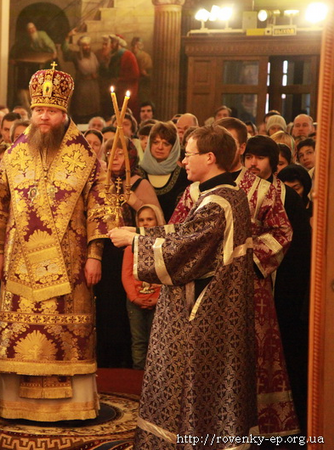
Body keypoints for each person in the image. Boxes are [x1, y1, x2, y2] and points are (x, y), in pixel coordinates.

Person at [109, 124, 257, 448]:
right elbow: (184, 232)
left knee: (194, 387)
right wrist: (144, 236)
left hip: (204, 317)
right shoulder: (228, 195)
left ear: (210, 157)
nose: (183, 161)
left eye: (188, 154)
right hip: (220, 315)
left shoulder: (218, 202)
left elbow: (184, 252)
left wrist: (134, 239)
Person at [0, 64, 110, 421]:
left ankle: (71, 408)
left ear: (65, 112)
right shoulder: (14, 153)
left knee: (65, 335)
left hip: (71, 262)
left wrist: (95, 255)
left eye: (51, 111)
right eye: (38, 110)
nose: (43, 117)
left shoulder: (86, 156)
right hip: (19, 262)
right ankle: (16, 404)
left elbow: (101, 206)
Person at [171, 117, 298, 437]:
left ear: (239, 148)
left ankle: (254, 427)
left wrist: (248, 262)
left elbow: (282, 232)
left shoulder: (263, 190)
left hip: (250, 290)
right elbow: (177, 232)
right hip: (205, 291)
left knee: (251, 358)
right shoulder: (193, 191)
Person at [244, 136, 312, 430]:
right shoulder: (238, 189)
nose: (253, 163)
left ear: (272, 162)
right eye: (249, 157)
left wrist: (256, 260)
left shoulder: (287, 196)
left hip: (277, 286)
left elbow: (295, 244)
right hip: (245, 288)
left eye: (259, 158)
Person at [94, 139, 160, 368]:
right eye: (110, 152)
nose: (115, 157)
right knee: (106, 304)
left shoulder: (139, 182)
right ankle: (106, 357)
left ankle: (128, 362)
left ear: (130, 156)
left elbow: (155, 220)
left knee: (128, 310)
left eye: (120, 153)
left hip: (132, 250)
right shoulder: (99, 181)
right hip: (105, 251)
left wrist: (132, 199)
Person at [121, 204, 164, 370]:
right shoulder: (130, 248)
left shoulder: (164, 245)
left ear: (157, 221)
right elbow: (126, 275)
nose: (145, 223)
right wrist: (134, 298)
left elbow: (166, 274)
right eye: (141, 220)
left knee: (158, 340)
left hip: (158, 301)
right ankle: (137, 377)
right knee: (139, 341)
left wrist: (158, 298)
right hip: (135, 300)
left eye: (149, 219)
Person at [139, 121, 190, 221]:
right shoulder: (136, 174)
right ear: (149, 144)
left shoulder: (184, 177)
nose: (160, 147)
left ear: (174, 147)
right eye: (156, 142)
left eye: (166, 144)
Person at [62, 32, 101, 123]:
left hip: (93, 87)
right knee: (81, 109)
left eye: (88, 45)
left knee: (94, 109)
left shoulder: (93, 55)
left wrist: (96, 75)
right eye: (84, 45)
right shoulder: (76, 56)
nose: (87, 47)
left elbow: (98, 68)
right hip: (82, 87)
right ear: (81, 47)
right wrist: (67, 37)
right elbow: (66, 51)